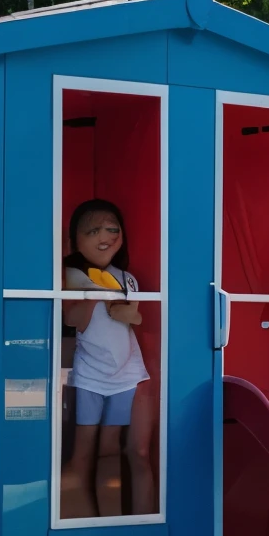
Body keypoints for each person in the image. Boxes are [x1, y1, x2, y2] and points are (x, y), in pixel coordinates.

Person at [60, 199, 154, 518]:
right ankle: (82, 524)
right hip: (89, 377)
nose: (106, 235)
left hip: (126, 377)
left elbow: (130, 317)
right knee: (83, 454)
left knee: (111, 450)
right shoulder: (72, 275)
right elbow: (74, 320)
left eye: (113, 229)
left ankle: (114, 524)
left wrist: (118, 302)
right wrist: (94, 292)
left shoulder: (125, 279)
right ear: (76, 240)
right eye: (94, 230)